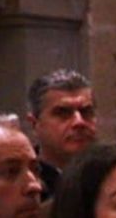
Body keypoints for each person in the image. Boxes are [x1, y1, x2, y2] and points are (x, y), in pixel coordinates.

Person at [25, 69, 98, 197]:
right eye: (63, 113)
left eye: (86, 112)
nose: (79, 122)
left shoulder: (113, 176)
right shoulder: (25, 183)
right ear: (34, 124)